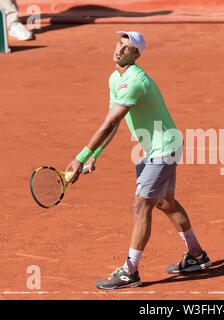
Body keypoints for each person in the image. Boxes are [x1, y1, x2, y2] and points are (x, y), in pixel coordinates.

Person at [65, 31, 211, 289]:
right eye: (120, 44)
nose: (121, 50)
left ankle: (130, 272)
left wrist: (80, 157)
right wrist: (95, 155)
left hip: (162, 149)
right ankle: (197, 256)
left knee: (140, 206)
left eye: (128, 48)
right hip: (161, 147)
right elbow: (115, 121)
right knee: (166, 203)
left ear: (136, 55)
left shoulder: (135, 81)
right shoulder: (115, 78)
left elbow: (109, 122)